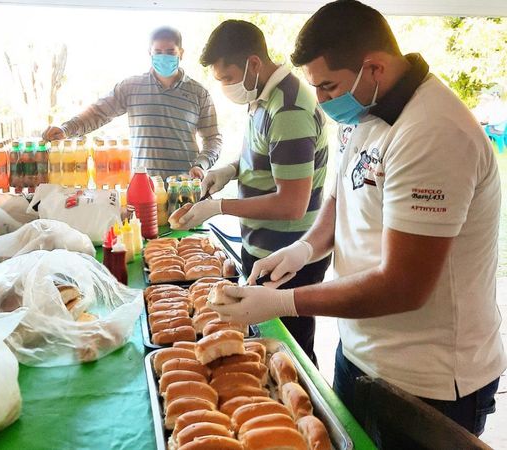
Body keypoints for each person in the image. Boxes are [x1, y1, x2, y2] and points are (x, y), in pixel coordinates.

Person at [209, 1, 506, 446]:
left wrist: (284, 303)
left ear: (374, 68)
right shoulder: (368, 113)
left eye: (329, 86)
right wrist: (304, 250)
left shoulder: (432, 132)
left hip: (428, 382)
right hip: (362, 354)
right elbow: (339, 199)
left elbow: (404, 285)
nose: (324, 101)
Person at [173, 20, 330, 364]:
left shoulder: (289, 109)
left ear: (254, 64)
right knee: (259, 347)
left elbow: (292, 203)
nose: (227, 87)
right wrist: (229, 170)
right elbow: (263, 158)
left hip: (289, 257)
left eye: (228, 78)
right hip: (262, 247)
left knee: (290, 353)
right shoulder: (263, 96)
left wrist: (219, 208)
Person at [42, 26, 222, 181]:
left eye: (170, 52)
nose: (164, 57)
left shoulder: (199, 93)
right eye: (158, 52)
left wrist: (201, 165)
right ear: (149, 53)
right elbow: (98, 113)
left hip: (184, 187)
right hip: (143, 186)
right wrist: (66, 129)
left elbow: (213, 139)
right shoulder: (131, 87)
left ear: (181, 53)